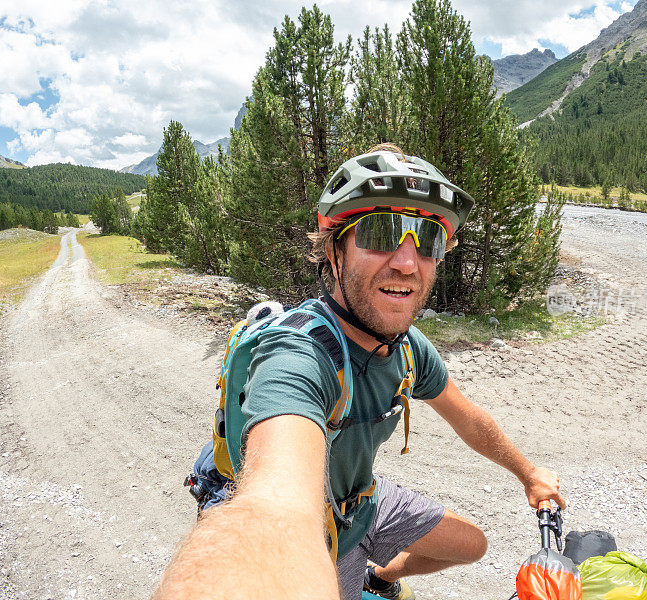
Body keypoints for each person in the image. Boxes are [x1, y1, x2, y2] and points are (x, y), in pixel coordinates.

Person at [154, 144, 564, 600]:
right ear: (334, 251)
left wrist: (529, 474)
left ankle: (380, 578)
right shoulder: (299, 353)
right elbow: (276, 508)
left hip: (360, 499)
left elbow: (467, 417)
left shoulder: (407, 348)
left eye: (427, 241)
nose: (407, 262)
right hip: (321, 524)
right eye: (380, 231)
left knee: (471, 544)